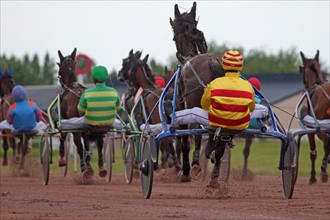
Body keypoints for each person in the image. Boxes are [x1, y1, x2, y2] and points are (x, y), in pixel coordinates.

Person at [201, 50, 255, 160]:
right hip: (240, 125)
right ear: (241, 66)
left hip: (217, 123)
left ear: (223, 64)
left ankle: (171, 120)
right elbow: (251, 108)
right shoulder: (248, 86)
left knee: (194, 112)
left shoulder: (215, 83)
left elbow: (204, 105)